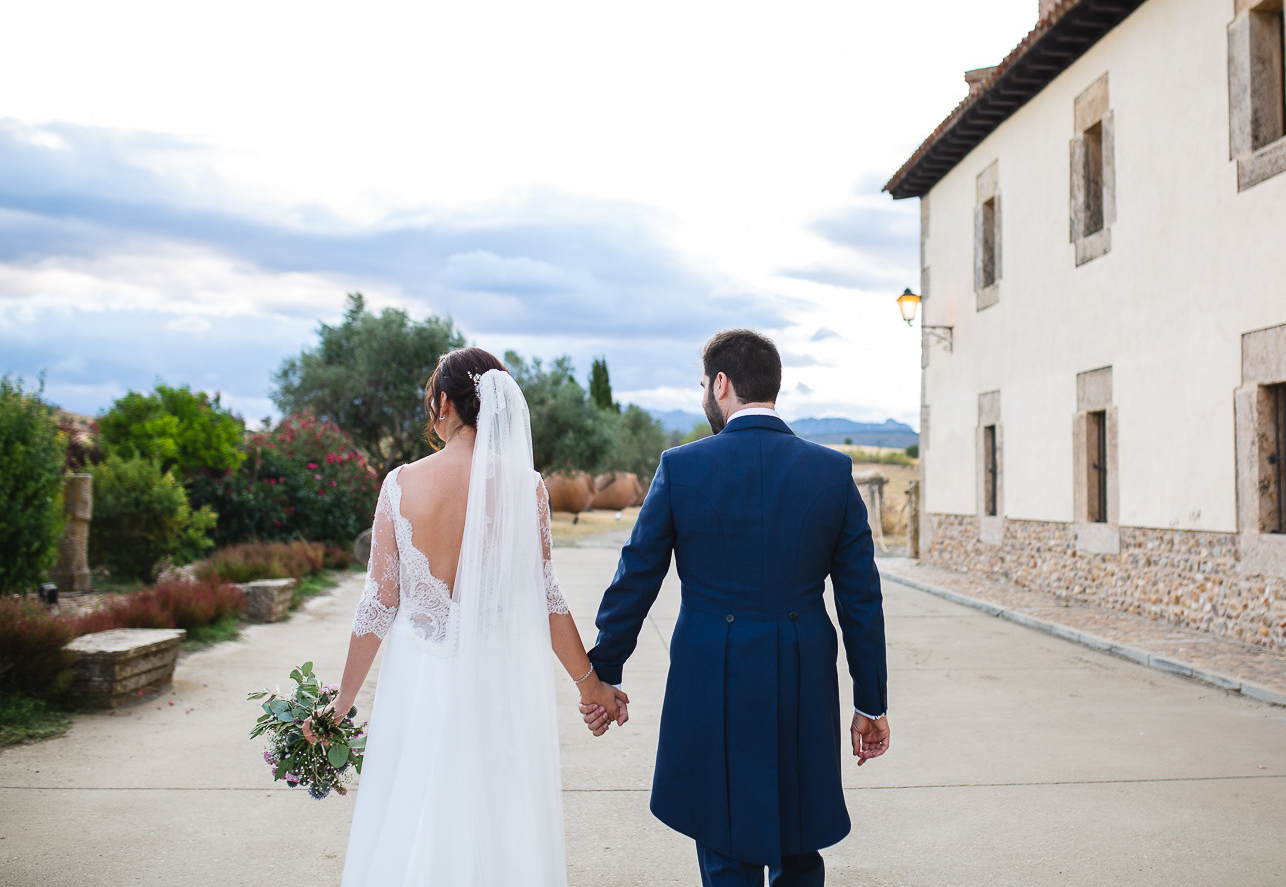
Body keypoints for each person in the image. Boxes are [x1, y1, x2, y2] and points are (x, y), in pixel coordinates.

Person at [581, 329, 890, 887]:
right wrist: (871, 701)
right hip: (803, 674)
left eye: (704, 383)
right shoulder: (832, 471)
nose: (704, 392)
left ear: (722, 384)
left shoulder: (681, 468)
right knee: (799, 843)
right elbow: (861, 599)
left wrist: (603, 672)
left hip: (710, 675)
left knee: (724, 843)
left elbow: (636, 577)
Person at [311, 347, 626, 886]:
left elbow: (378, 604)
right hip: (493, 687)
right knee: (493, 822)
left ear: (442, 402)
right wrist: (591, 686)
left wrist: (339, 704)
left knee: (414, 816)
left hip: (418, 683)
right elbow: (547, 599)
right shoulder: (526, 489)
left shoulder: (402, 484)